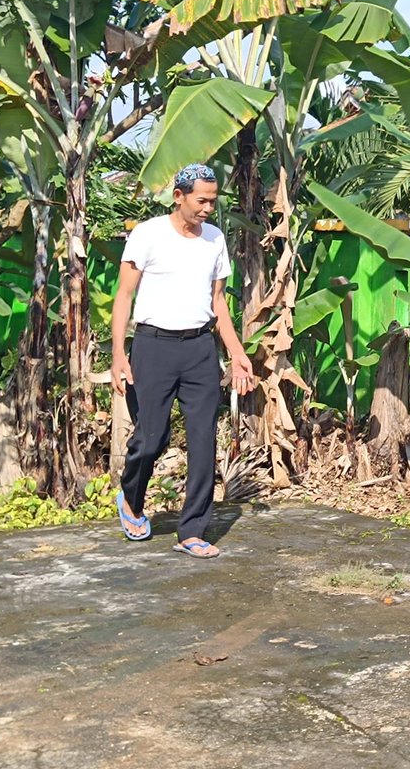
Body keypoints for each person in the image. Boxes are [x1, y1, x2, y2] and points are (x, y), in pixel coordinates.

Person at [109, 163, 255, 558]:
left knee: (203, 440)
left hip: (199, 349)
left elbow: (218, 302)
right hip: (152, 347)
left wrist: (237, 353)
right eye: (201, 200)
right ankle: (132, 499)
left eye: (213, 200)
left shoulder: (215, 239)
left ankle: (192, 530)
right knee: (150, 438)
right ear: (179, 196)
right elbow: (124, 296)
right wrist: (119, 354)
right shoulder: (147, 235)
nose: (208, 208)